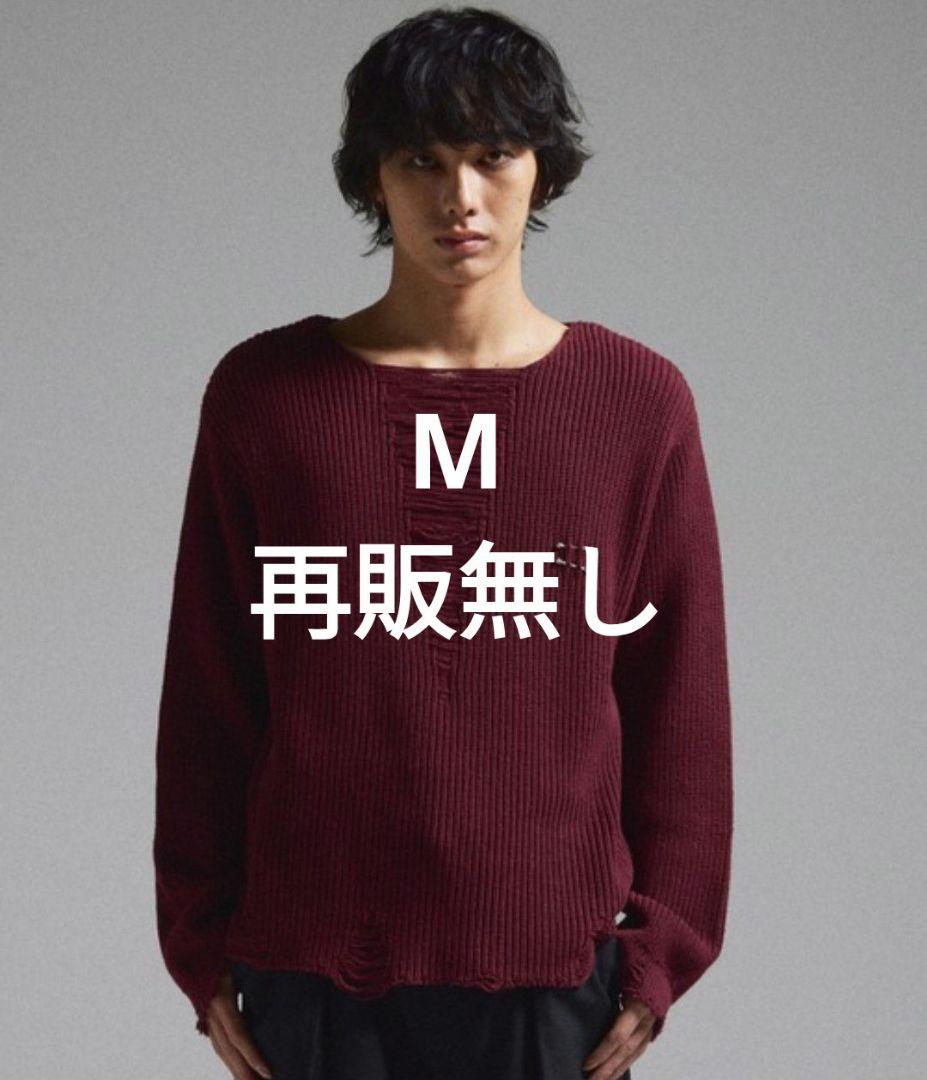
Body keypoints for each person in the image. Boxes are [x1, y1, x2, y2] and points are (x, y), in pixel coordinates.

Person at [153, 6, 733, 1079]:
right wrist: (200, 944)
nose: (459, 196)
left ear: (541, 170)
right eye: (421, 159)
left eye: (493, 155)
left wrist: (660, 954)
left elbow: (678, 696)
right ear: (373, 177)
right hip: (311, 963)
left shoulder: (633, 403)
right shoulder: (265, 397)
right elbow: (211, 690)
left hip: (550, 968)